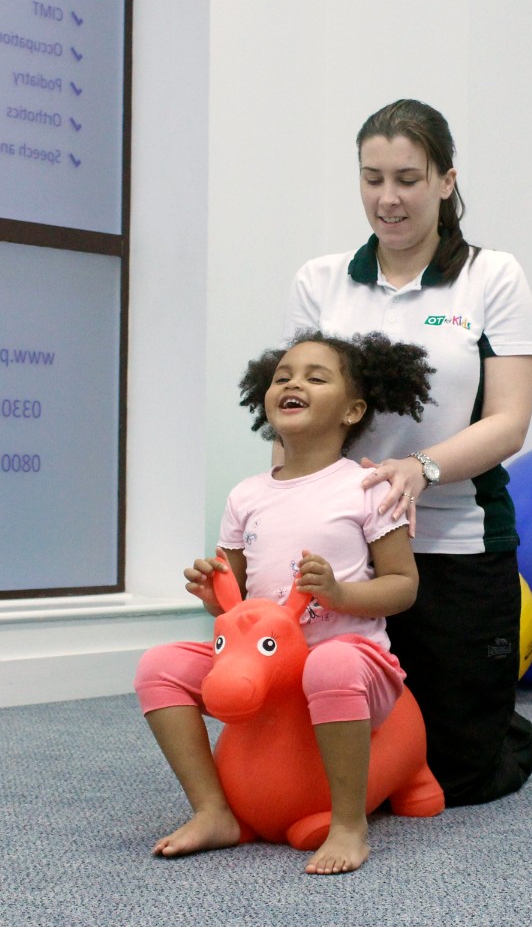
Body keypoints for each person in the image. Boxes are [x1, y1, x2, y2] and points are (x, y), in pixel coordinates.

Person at [284, 98, 532, 807]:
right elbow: (298, 411)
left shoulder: (492, 277)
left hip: (456, 538)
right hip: (351, 543)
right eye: (372, 179)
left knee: (458, 775)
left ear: (445, 182)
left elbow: (509, 421)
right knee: (328, 755)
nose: (387, 199)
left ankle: (496, 725)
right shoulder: (322, 280)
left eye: (407, 178)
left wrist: (419, 468)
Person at [134, 330, 435, 875]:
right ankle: (213, 810)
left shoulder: (366, 487)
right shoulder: (245, 496)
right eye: (283, 377)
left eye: (316, 377)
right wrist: (211, 592)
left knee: (331, 660)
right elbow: (233, 605)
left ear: (352, 410)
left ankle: (348, 824)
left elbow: (403, 585)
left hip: (348, 658)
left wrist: (341, 595)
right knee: (160, 667)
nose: (293, 383)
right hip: (266, 666)